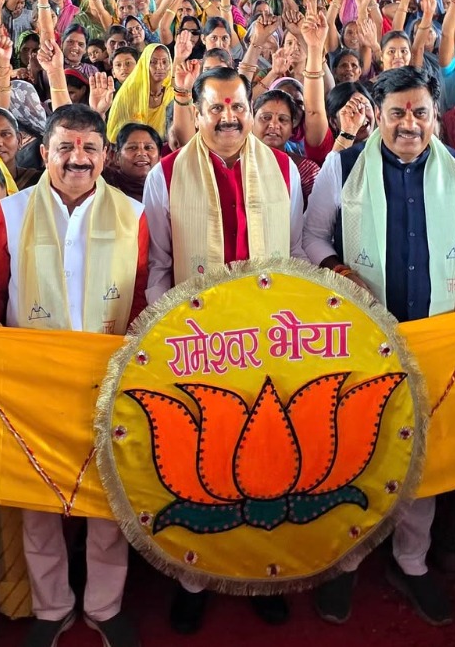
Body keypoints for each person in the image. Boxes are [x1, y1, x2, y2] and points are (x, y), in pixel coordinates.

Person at [302, 66, 455, 626]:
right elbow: (311, 235)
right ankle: (344, 561)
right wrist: (338, 269)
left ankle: (410, 561)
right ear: (378, 115)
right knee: (352, 451)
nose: (409, 124)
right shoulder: (343, 166)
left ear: (435, 115)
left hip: (434, 337)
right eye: (397, 113)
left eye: (420, 112)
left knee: (421, 456)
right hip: (360, 339)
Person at [0, 104, 149, 647]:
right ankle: (51, 606)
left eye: (90, 148)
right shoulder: (15, 211)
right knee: (38, 498)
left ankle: (104, 604)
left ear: (105, 156)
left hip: (107, 378)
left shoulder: (132, 214)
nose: (78, 159)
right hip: (33, 380)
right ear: (44, 152)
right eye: (65, 148)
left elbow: (141, 297)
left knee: (108, 500)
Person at [142, 65, 303, 630]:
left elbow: (297, 257)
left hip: (272, 345)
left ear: (251, 107)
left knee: (271, 461)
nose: (229, 118)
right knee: (200, 462)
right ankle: (195, 577)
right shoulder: (165, 175)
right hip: (198, 345)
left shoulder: (284, 169)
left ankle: (265, 572)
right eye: (216, 108)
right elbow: (160, 265)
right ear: (198, 111)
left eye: (238, 106)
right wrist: (168, 337)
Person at [103, 123, 163, 201]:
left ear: (159, 157)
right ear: (117, 157)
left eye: (148, 147)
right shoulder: (105, 183)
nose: (141, 153)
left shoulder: (167, 187)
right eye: (132, 148)